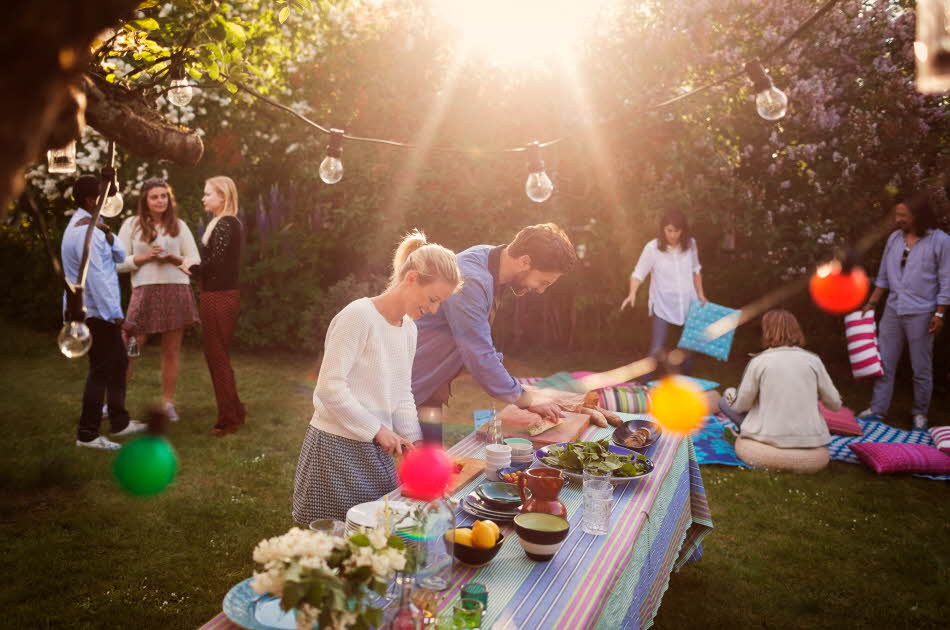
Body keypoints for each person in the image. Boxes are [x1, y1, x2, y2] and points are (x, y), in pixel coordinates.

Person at [292, 231, 462, 524]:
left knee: (380, 537)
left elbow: (402, 393)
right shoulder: (358, 316)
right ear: (411, 278)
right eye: (433, 299)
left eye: (439, 304)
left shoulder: (409, 329)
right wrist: (377, 430)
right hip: (335, 449)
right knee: (339, 547)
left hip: (373, 451)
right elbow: (329, 388)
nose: (434, 309)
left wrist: (415, 444)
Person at [411, 223, 577, 442]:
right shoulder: (472, 280)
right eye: (543, 281)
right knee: (380, 465)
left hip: (430, 388)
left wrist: (521, 389)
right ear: (525, 261)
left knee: (429, 464)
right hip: (409, 382)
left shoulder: (491, 260)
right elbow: (479, 356)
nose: (541, 290)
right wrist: (525, 397)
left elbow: (480, 348)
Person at [61, 175, 146, 449]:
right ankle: (87, 434)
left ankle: (119, 422)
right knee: (101, 370)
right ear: (90, 200)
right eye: (104, 195)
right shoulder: (84, 233)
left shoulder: (93, 226)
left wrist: (106, 230)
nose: (109, 199)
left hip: (100, 311)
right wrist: (119, 318)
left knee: (118, 363)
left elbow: (120, 255)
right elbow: (96, 279)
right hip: (97, 313)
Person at [860, 192, 949, 430]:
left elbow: (946, 280)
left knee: (920, 367)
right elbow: (883, 276)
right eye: (897, 214)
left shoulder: (940, 241)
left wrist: (939, 314)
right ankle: (877, 409)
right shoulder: (894, 239)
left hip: (922, 313)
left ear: (918, 216)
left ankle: (920, 413)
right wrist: (872, 303)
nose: (898, 219)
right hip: (892, 310)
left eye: (903, 215)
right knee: (884, 363)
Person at [117, 178, 201, 422]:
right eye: (154, 197)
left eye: (164, 196)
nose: (160, 201)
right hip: (145, 293)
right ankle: (113, 402)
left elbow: (194, 261)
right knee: (130, 348)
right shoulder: (131, 225)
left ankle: (167, 403)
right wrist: (144, 258)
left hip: (176, 291)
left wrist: (173, 258)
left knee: (171, 352)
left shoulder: (179, 225)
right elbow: (118, 262)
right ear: (145, 200)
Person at [719, 310, 842, 472]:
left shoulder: (760, 361)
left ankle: (744, 432)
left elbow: (741, 406)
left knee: (724, 401)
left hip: (768, 435)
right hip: (809, 438)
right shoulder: (813, 360)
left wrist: (729, 394)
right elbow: (835, 405)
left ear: (766, 331)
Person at [188, 176, 246, 437]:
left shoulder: (225, 224)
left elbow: (215, 264)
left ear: (223, 197)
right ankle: (235, 411)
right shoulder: (223, 224)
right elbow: (216, 262)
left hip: (218, 297)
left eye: (208, 193)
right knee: (219, 354)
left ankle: (227, 420)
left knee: (217, 356)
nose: (204, 198)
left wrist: (190, 267)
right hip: (221, 294)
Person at [621, 209, 708, 368]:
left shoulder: (690, 244)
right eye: (669, 230)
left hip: (688, 303)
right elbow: (638, 274)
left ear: (683, 230)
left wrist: (701, 295)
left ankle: (685, 387)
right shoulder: (652, 248)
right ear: (663, 229)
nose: (673, 235)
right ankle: (644, 385)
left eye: (677, 231)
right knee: (656, 350)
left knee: (687, 352)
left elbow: (696, 270)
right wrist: (632, 293)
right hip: (662, 304)